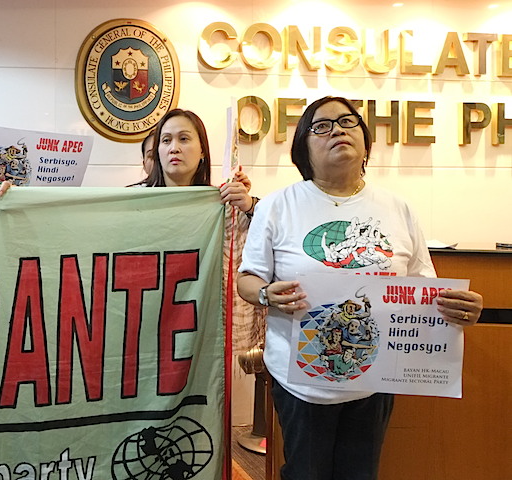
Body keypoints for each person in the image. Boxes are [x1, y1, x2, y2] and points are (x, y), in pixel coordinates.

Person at [236, 96, 483, 480]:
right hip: (301, 378)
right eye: (322, 125)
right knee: (305, 473)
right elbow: (247, 279)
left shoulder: (397, 208)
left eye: (348, 122)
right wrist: (268, 294)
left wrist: (456, 308)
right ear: (303, 146)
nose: (337, 129)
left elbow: (423, 288)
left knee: (361, 474)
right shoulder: (278, 206)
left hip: (376, 378)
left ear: (366, 142)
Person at [145, 108, 256, 216]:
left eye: (183, 139)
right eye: (166, 140)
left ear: (202, 149)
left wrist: (249, 206)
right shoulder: (135, 200)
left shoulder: (223, 203)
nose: (174, 148)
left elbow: (267, 228)